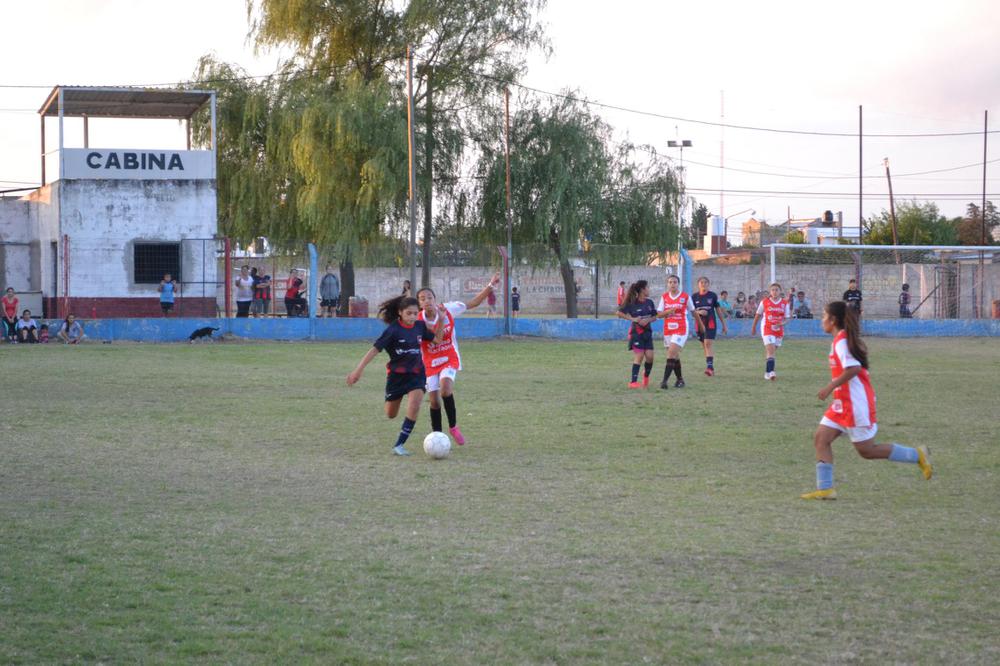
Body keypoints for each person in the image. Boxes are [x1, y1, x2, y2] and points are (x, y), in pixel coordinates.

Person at [801, 301, 932, 500]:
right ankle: (826, 489)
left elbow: (853, 368)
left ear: (833, 320)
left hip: (855, 404)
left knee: (867, 451)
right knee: (821, 438)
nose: (822, 320)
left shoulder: (842, 341)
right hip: (841, 404)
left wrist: (830, 387)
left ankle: (917, 455)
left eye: (824, 316)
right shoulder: (840, 339)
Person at [346, 295, 447, 456]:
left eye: (415, 313)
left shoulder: (420, 326)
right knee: (391, 414)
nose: (412, 317)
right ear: (400, 312)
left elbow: (438, 340)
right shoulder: (392, 330)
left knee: (415, 404)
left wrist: (441, 320)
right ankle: (394, 411)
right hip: (396, 377)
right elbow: (374, 350)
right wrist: (358, 370)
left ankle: (399, 445)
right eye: (409, 313)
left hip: (416, 374)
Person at [416, 274, 500, 445]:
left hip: (449, 356)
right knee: (434, 401)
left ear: (435, 299)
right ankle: (437, 436)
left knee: (445, 390)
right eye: (422, 299)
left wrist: (491, 285)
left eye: (430, 297)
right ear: (419, 303)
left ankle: (453, 427)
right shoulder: (417, 321)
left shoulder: (447, 309)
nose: (427, 301)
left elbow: (473, 303)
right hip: (430, 362)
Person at [656, 274, 701, 389]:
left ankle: (664, 381)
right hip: (668, 329)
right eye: (670, 282)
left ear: (678, 284)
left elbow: (694, 312)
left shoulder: (685, 297)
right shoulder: (664, 297)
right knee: (674, 355)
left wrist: (701, 326)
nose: (672, 284)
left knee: (671, 353)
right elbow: (659, 315)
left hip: (681, 328)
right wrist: (668, 311)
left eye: (675, 282)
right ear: (667, 284)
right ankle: (680, 380)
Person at [617, 280, 658, 389]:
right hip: (636, 334)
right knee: (639, 356)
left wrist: (648, 320)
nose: (649, 290)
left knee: (650, 357)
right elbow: (619, 313)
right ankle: (633, 382)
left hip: (647, 334)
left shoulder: (649, 302)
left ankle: (646, 376)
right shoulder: (632, 303)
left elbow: (655, 317)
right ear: (642, 290)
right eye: (647, 287)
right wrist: (633, 319)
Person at [751, 283, 791, 381]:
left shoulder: (785, 303)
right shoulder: (764, 302)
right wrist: (753, 327)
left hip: (778, 330)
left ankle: (767, 372)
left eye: (776, 290)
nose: (774, 292)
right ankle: (772, 372)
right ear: (770, 291)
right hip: (767, 328)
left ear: (780, 291)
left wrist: (781, 324)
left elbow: (787, 318)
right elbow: (758, 314)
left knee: (770, 352)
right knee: (771, 350)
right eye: (772, 290)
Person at [692, 277, 728, 376]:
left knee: (707, 344)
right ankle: (710, 366)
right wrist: (699, 312)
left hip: (710, 323)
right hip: (699, 324)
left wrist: (724, 324)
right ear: (698, 285)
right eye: (701, 282)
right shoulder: (694, 297)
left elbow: (718, 310)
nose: (703, 284)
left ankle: (709, 368)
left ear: (708, 284)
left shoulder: (712, 296)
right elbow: (692, 312)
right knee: (705, 346)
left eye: (705, 282)